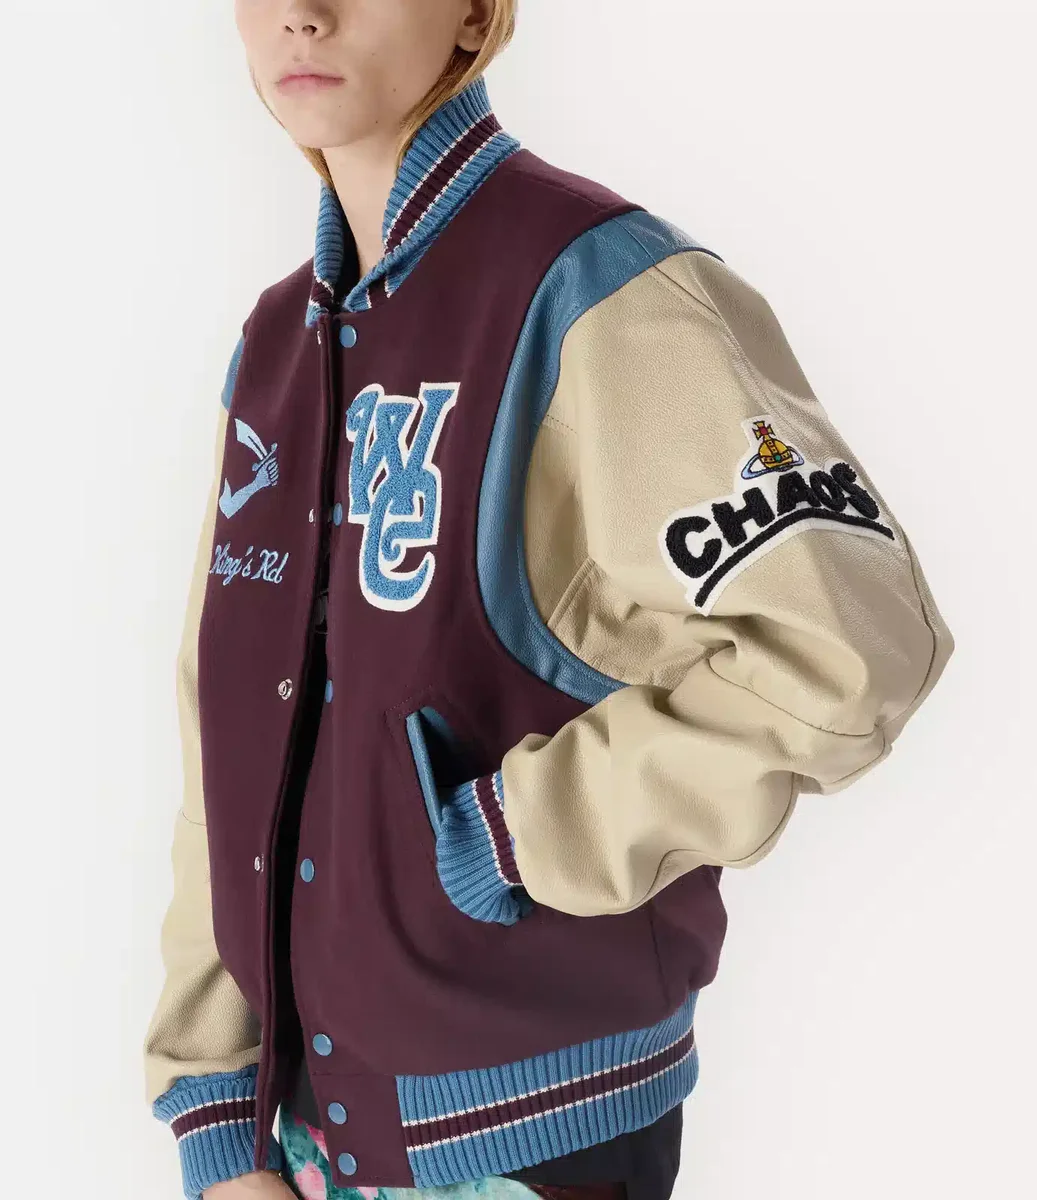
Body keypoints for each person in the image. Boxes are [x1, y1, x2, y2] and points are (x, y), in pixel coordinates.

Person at [141, 3, 955, 1200]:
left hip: (533, 1134)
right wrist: (214, 1105)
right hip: (296, 1136)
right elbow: (227, 733)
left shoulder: (601, 292)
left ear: (476, 12)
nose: (303, 13)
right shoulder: (275, 343)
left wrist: (517, 831)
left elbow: (846, 647)